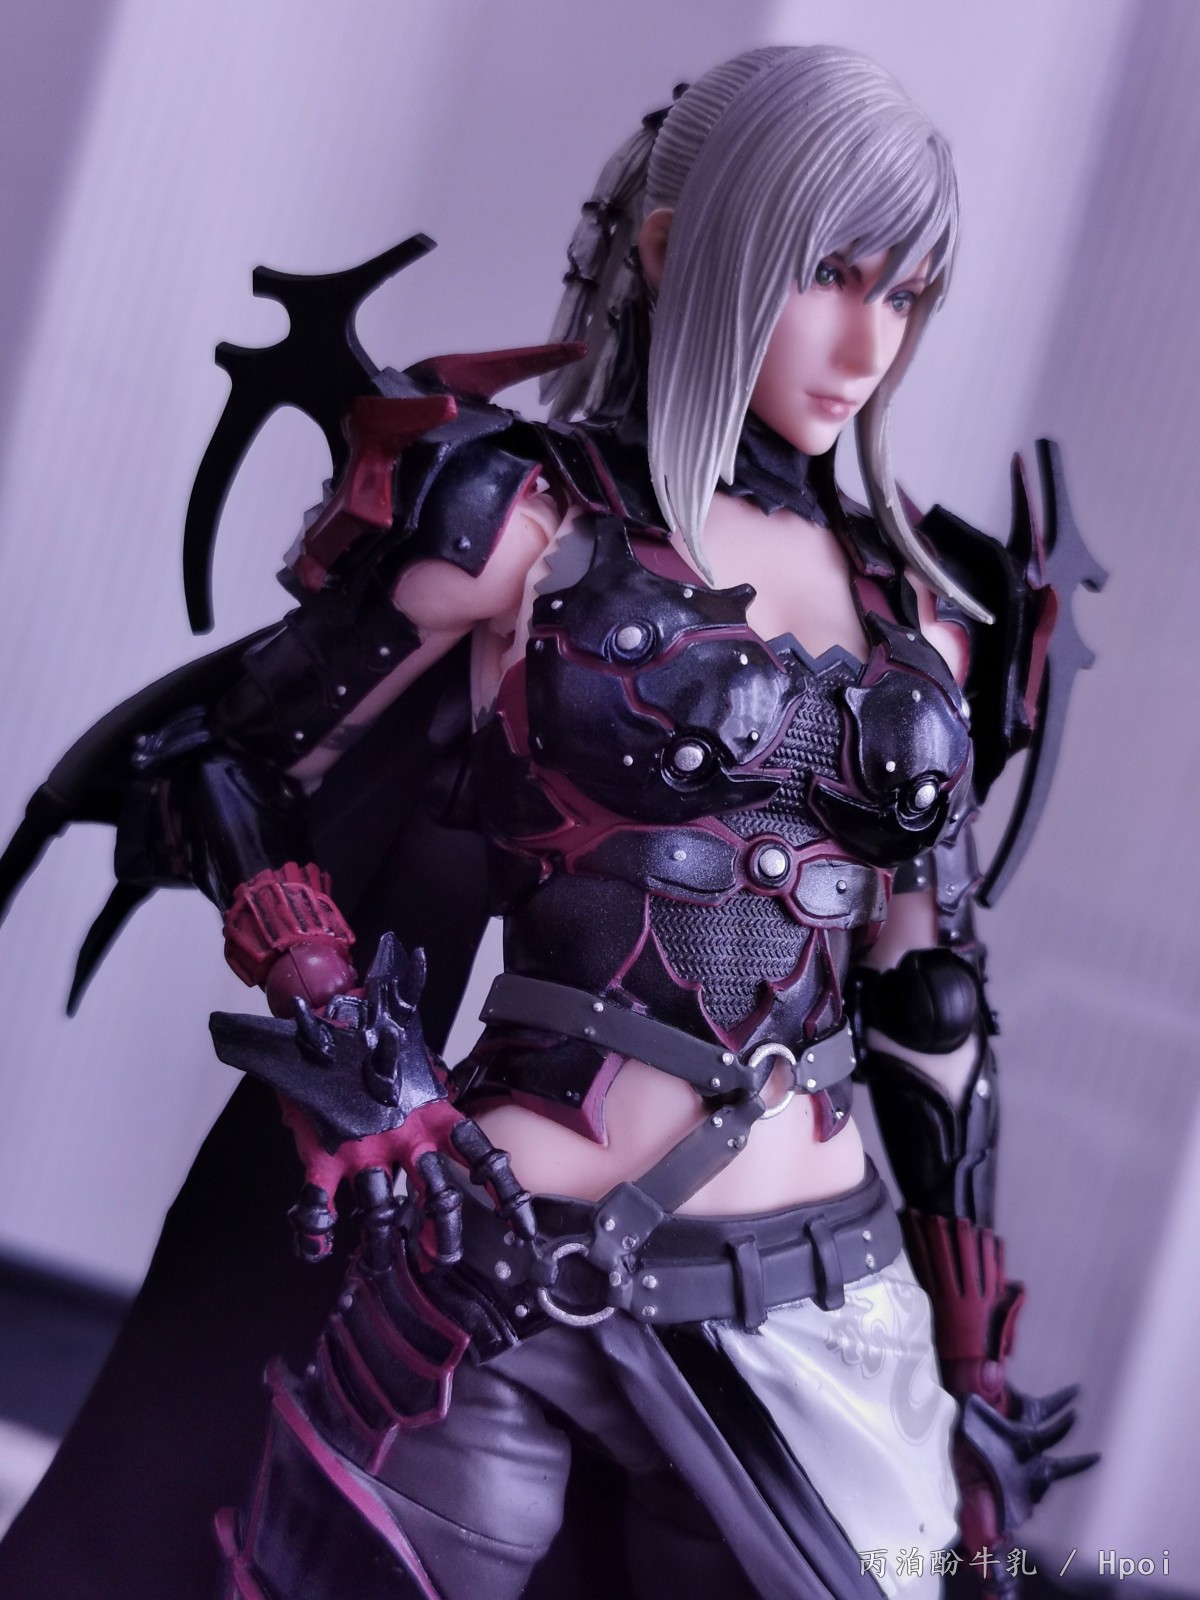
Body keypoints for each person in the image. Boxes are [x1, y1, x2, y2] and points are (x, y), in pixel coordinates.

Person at [0, 44, 1095, 1600]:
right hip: (500, 1271)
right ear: (676, 248)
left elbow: (932, 1000)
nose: (867, 343)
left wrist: (973, 1351)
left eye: (907, 295)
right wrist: (378, 1081)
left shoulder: (920, 611)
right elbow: (217, 766)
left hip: (825, 1298)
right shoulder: (521, 516)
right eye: (827, 274)